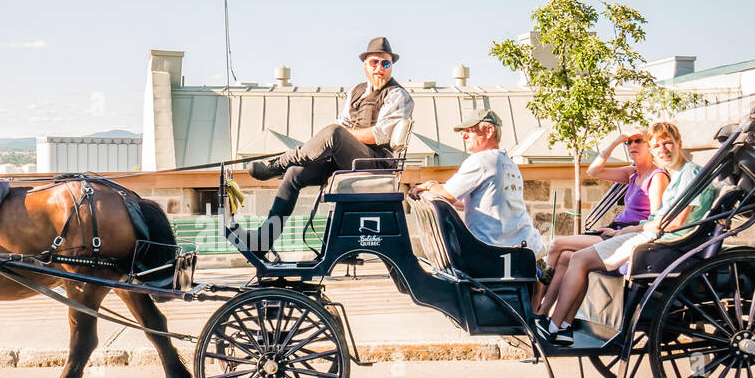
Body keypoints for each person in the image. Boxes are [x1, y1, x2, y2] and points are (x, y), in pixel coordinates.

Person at [538, 120, 715, 345]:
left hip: (659, 241)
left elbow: (674, 223)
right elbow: (660, 218)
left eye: (668, 144)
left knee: (577, 257)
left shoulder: (685, 174)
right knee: (571, 257)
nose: (663, 150)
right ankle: (559, 324)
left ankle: (553, 324)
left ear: (679, 143)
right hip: (646, 234)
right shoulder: (674, 173)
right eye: (657, 145)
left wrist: (633, 229)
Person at [245, 36, 412, 257]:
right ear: (365, 65)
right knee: (295, 174)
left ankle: (279, 164)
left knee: (334, 133)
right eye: (375, 62)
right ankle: (263, 241)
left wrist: (339, 137)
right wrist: (327, 145)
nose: (380, 68)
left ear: (391, 66)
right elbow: (343, 121)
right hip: (346, 158)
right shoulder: (357, 91)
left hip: (374, 161)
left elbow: (378, 134)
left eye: (386, 63)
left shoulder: (398, 95)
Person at [534, 126, 668, 309]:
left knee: (557, 243)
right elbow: (593, 170)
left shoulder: (657, 176)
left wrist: (620, 232)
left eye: (638, 141)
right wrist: (616, 141)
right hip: (615, 228)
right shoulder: (632, 173)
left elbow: (655, 218)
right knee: (565, 256)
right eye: (629, 142)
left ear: (650, 145)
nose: (632, 145)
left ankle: (536, 303)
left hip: (628, 234)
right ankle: (542, 312)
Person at [409, 107, 546, 255]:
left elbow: (448, 193)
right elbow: (485, 202)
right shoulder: (508, 162)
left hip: (495, 249)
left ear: (489, 131)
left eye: (469, 131)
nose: (464, 136)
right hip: (526, 244)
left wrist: (428, 185)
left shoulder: (482, 160)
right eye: (463, 132)